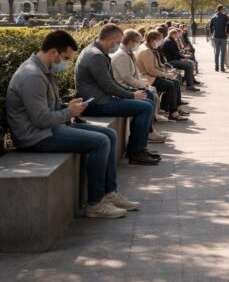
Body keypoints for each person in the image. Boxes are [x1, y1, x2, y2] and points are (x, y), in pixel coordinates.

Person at [6, 30, 139, 218]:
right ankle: (95, 203)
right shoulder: (32, 76)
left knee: (109, 135)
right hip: (36, 136)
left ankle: (109, 193)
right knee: (100, 142)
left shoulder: (41, 70)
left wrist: (68, 107)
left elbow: (46, 108)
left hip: (49, 128)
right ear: (53, 52)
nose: (65, 62)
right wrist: (69, 112)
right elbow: (40, 119)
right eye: (65, 57)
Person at [76, 24, 160, 165]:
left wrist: (131, 93)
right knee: (145, 107)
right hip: (96, 104)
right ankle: (136, 152)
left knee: (147, 103)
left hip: (102, 99)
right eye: (118, 41)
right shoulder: (95, 56)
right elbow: (108, 86)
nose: (119, 44)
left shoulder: (96, 51)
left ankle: (138, 148)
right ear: (110, 39)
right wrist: (131, 95)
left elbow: (111, 82)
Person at [110, 30, 169, 142]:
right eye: (137, 42)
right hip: (124, 89)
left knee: (150, 94)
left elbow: (135, 73)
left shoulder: (128, 53)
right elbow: (126, 77)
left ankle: (149, 131)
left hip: (130, 86)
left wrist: (143, 83)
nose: (138, 44)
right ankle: (149, 133)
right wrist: (142, 85)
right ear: (131, 42)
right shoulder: (122, 55)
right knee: (148, 97)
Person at [136, 30, 188, 122]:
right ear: (152, 40)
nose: (160, 42)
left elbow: (158, 64)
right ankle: (173, 113)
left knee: (175, 82)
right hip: (147, 78)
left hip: (153, 75)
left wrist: (167, 71)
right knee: (170, 85)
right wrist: (166, 75)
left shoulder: (152, 49)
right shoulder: (146, 51)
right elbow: (150, 70)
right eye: (159, 40)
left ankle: (174, 108)